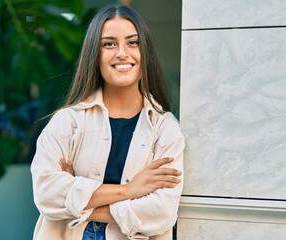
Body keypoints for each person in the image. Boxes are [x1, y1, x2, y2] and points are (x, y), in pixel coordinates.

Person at [31, 4, 185, 240]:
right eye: (109, 44)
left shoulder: (165, 129)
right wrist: (129, 191)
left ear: (145, 53)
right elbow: (46, 193)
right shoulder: (67, 122)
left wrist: (80, 200)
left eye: (133, 42)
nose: (122, 53)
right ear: (95, 53)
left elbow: (161, 213)